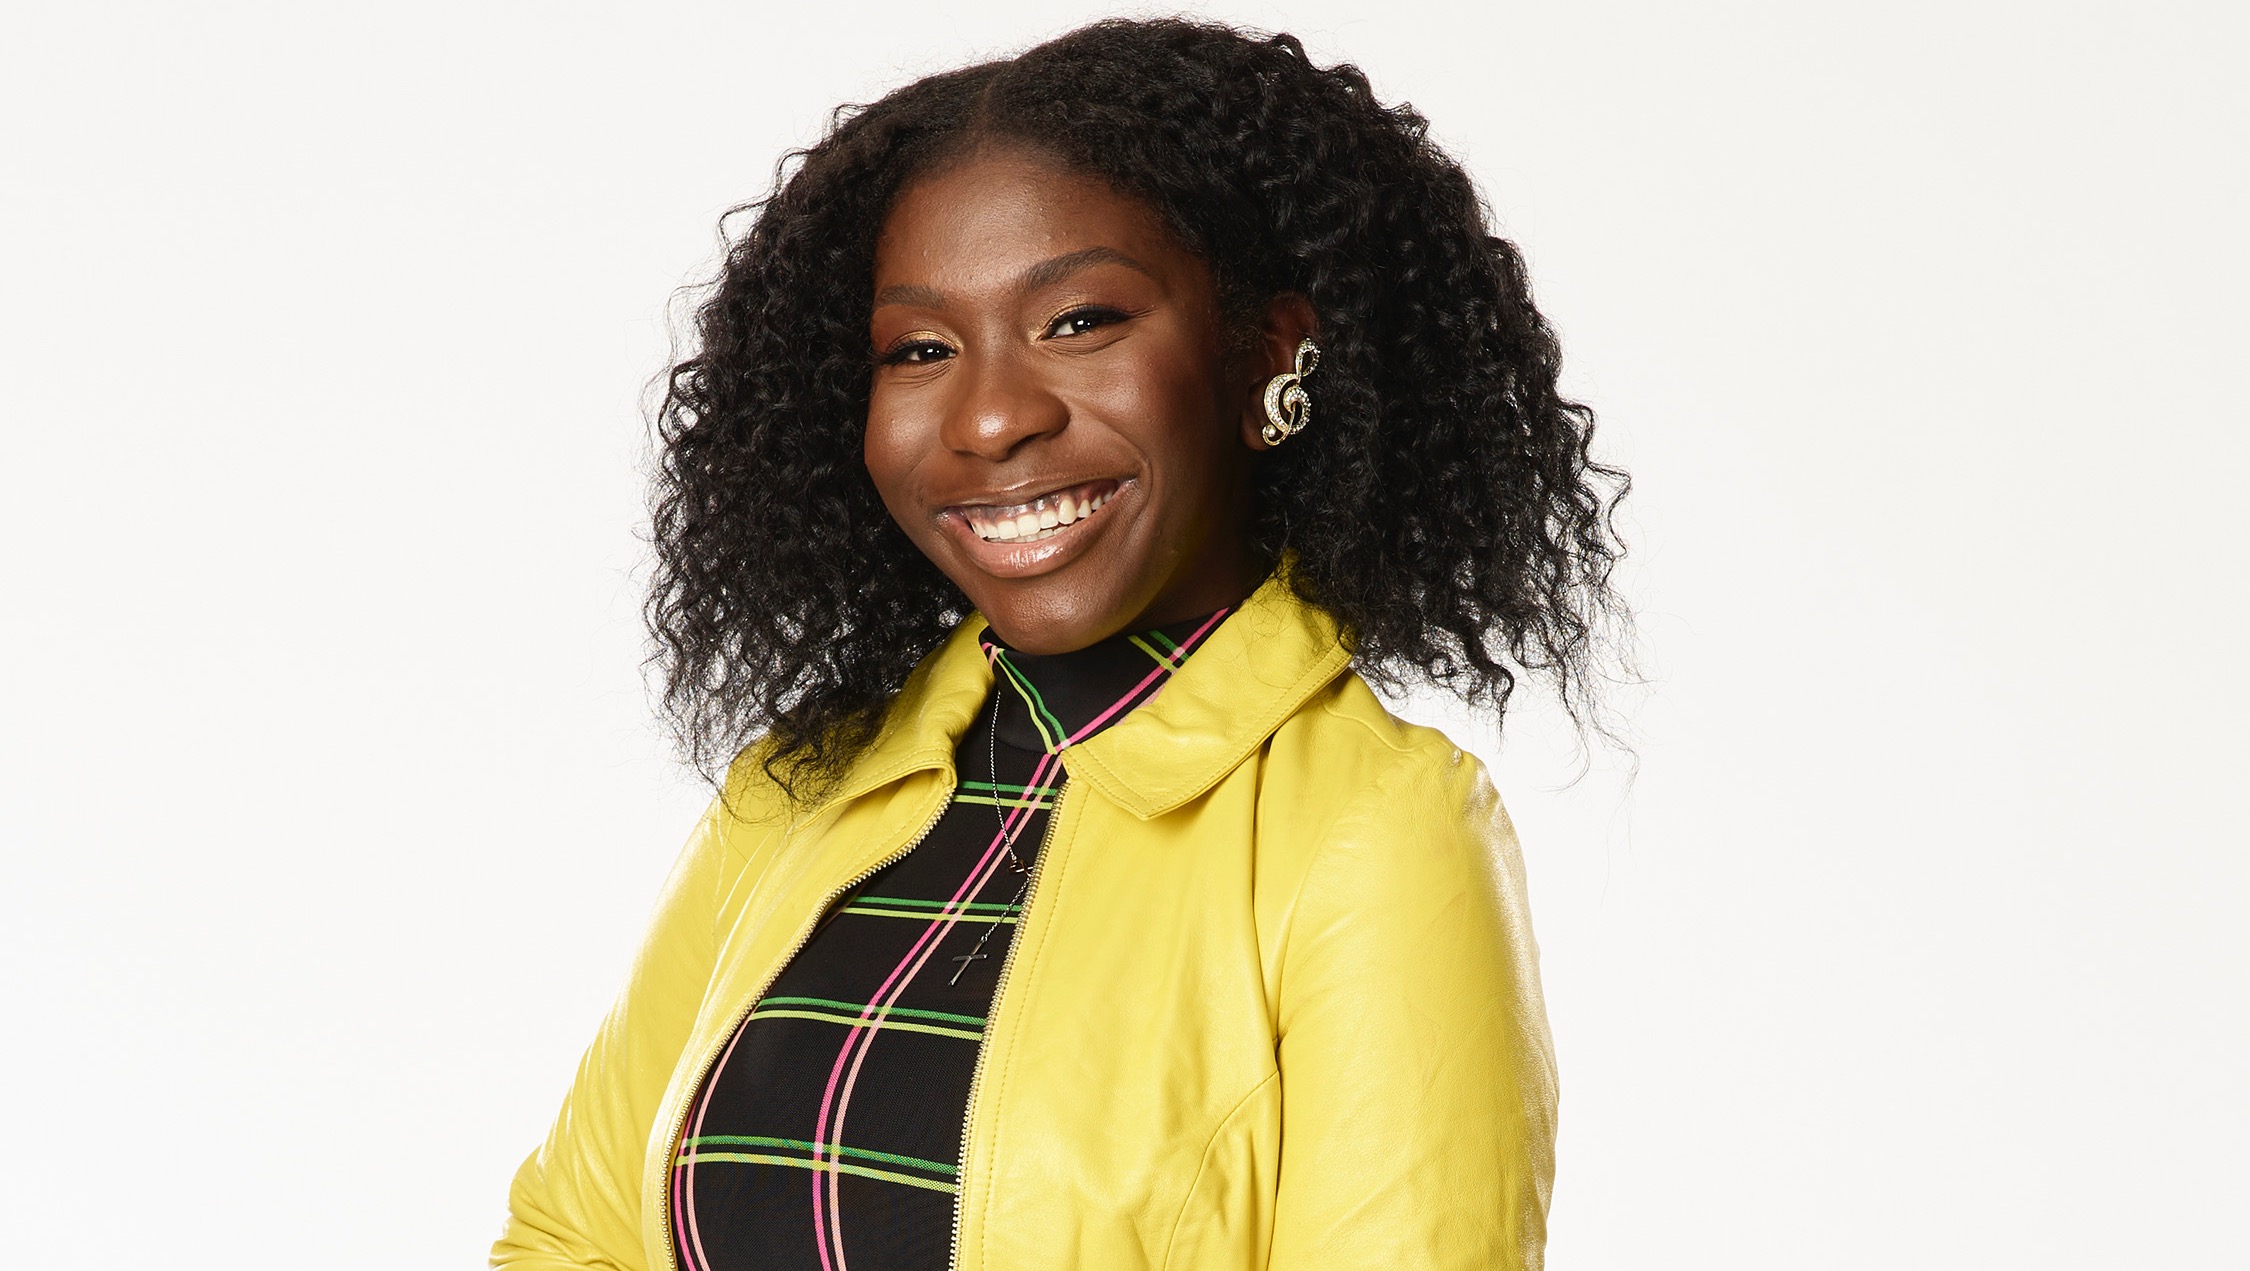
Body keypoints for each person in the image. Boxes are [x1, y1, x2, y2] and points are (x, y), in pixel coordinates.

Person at [493, 17, 1627, 1271]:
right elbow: (571, 1237)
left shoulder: (1375, 830)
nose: (989, 417)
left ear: (1267, 357)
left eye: (1079, 321)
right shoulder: (793, 792)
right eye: (920, 349)